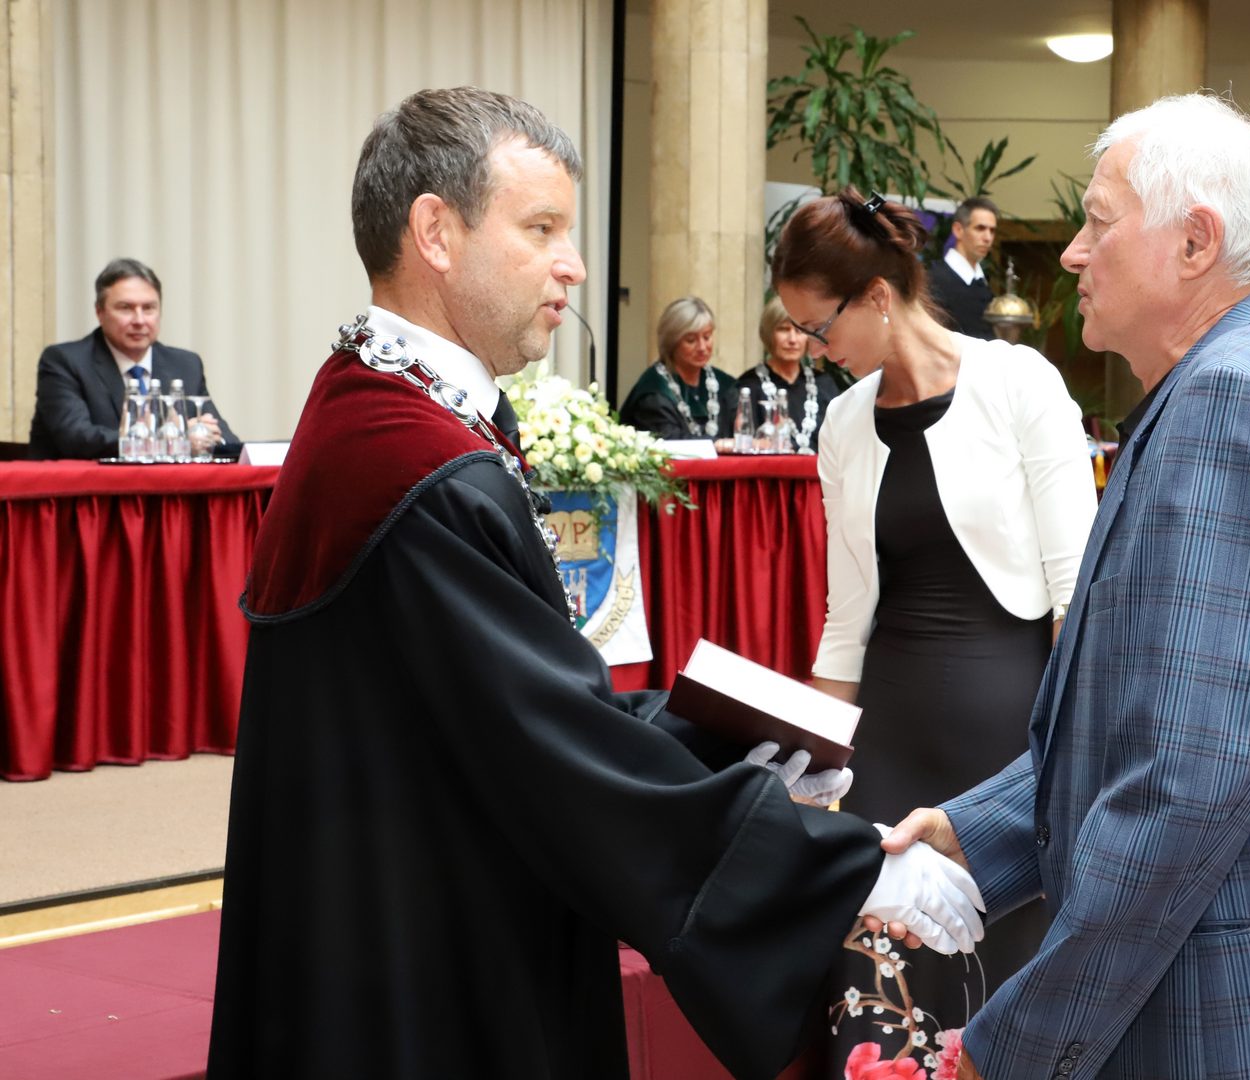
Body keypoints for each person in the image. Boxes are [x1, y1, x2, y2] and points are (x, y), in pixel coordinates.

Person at [208, 87, 985, 1080]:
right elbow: (547, 754)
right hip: (423, 969)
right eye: (541, 229)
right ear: (436, 232)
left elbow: (509, 708)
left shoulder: (378, 411)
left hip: (400, 914)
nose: (573, 264)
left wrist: (721, 746)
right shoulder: (411, 464)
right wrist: (834, 872)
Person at [880, 94, 1250, 1078]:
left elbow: (1181, 786)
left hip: (1227, 1010)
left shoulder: (1226, 406)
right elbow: (1165, 723)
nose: (1073, 254)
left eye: (1097, 221)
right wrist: (968, 834)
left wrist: (1013, 1046)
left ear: (1195, 243)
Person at [772, 188, 1097, 1075]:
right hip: (887, 751)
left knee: (1011, 996)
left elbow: (1077, 598)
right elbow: (845, 620)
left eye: (819, 327)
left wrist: (1059, 770)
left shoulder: (1019, 383)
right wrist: (815, 769)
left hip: (1010, 752)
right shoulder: (843, 422)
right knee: (880, 1002)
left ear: (877, 296)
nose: (814, 349)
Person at [28, 258, 234, 459]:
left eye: (148, 308)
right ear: (100, 312)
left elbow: (226, 438)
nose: (139, 320)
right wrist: (169, 440)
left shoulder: (185, 365)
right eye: (125, 308)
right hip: (88, 480)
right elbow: (77, 438)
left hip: (167, 482)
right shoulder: (65, 361)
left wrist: (209, 437)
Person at [618, 296, 742, 439]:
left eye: (707, 337)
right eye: (691, 340)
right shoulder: (654, 393)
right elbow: (669, 441)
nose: (702, 347)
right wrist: (719, 444)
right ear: (672, 342)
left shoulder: (725, 386)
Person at [734, 295, 844, 453]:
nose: (792, 339)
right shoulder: (748, 386)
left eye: (799, 331)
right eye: (784, 329)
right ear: (768, 333)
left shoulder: (824, 384)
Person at [927, 196, 999, 339]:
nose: (988, 237)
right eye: (980, 228)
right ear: (958, 230)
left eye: (992, 231)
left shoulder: (981, 282)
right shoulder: (933, 281)